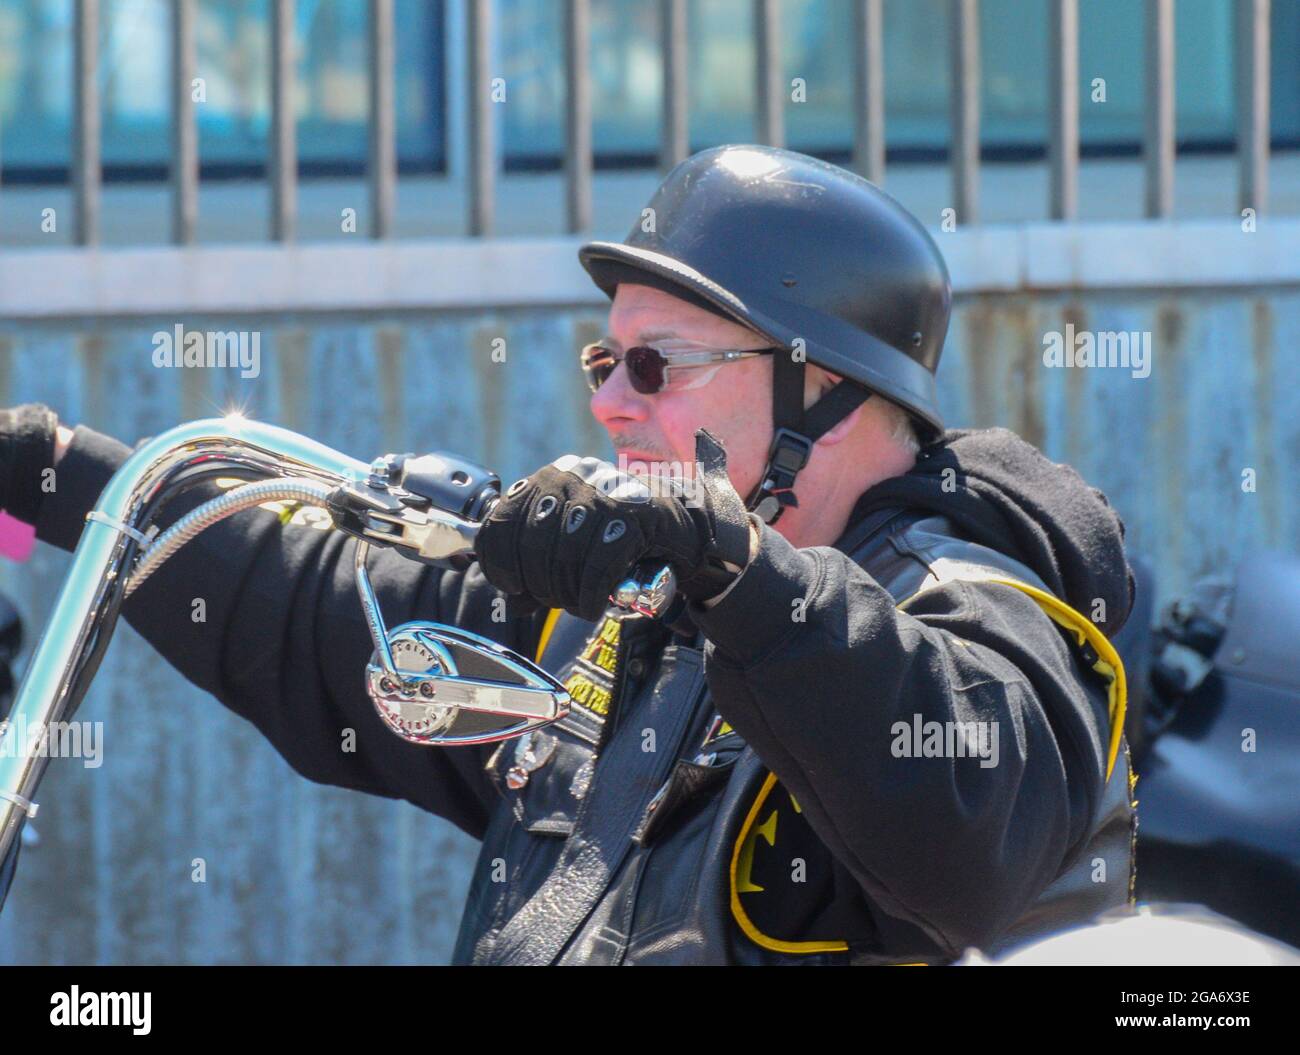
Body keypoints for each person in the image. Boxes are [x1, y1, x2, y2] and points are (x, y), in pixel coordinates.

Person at [0, 145, 1136, 965]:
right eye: (605, 359)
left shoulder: (975, 609)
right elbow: (315, 608)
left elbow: (970, 825)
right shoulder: (636, 613)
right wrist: (59, 473)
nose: (608, 402)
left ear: (821, 390)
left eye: (657, 365)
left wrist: (728, 559)